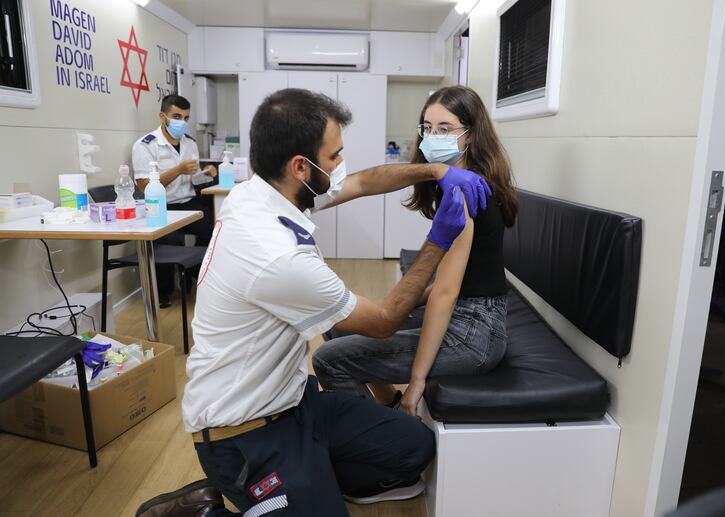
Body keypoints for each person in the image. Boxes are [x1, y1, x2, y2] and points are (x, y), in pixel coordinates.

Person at [135, 87, 491, 517]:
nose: (341, 167)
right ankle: (212, 507)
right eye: (335, 156)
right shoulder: (277, 256)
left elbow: (362, 182)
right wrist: (438, 240)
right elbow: (384, 321)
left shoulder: (258, 192)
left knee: (414, 445)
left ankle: (307, 479)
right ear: (300, 166)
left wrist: (435, 170)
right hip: (242, 434)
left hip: (295, 405)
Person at [312, 85, 518, 417]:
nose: (433, 136)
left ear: (471, 136)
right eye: (428, 127)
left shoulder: (463, 194)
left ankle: (386, 445)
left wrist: (417, 382)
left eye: (445, 129)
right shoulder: (458, 180)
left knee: (329, 359)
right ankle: (388, 408)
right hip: (474, 315)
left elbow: (447, 293)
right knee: (340, 323)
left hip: (474, 336)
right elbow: (463, 279)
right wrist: (385, 311)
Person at [132, 94, 217, 307]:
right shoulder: (145, 145)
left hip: (187, 202)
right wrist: (178, 169)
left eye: (186, 118)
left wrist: (206, 174)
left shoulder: (190, 143)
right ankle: (163, 291)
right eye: (177, 116)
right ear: (163, 116)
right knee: (170, 241)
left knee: (213, 228)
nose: (182, 122)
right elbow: (144, 187)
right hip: (161, 206)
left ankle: (195, 274)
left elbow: (193, 178)